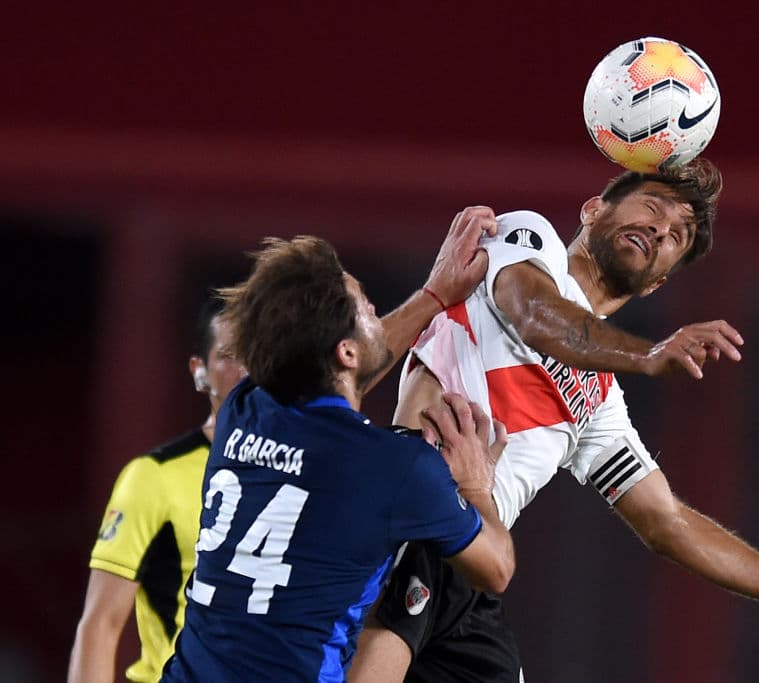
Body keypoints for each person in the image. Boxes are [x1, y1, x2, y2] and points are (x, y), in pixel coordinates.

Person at [349, 158, 759, 683]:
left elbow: (667, 522)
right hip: (415, 516)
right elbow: (537, 315)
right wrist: (645, 354)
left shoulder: (599, 404)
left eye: (679, 234)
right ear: (594, 209)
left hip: (471, 566)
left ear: (659, 283)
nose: (662, 229)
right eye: (653, 206)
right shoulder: (524, 242)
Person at [161, 220, 516, 681]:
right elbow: (496, 568)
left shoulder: (242, 410)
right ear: (345, 352)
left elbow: (338, 370)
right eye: (364, 305)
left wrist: (434, 294)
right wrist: (476, 484)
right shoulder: (400, 467)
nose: (374, 308)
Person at [68, 297, 247, 683]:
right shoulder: (154, 476)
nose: (247, 369)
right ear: (199, 371)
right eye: (231, 355)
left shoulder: (301, 469)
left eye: (259, 352)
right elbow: (101, 622)